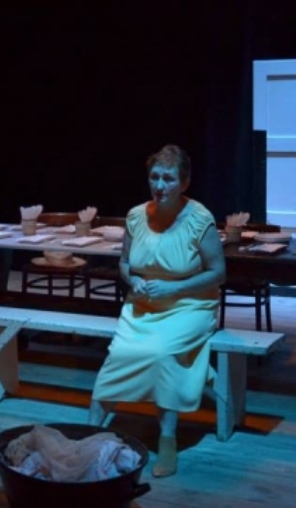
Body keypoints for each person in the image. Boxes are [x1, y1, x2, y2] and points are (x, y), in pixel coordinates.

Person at [88, 144, 226, 478]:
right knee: (120, 354)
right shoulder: (136, 216)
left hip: (190, 305)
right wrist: (133, 279)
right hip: (144, 304)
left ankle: (167, 440)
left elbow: (218, 273)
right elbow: (124, 263)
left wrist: (174, 288)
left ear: (184, 183)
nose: (159, 185)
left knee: (163, 354)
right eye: (154, 177)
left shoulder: (199, 219)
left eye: (168, 178)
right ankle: (90, 434)